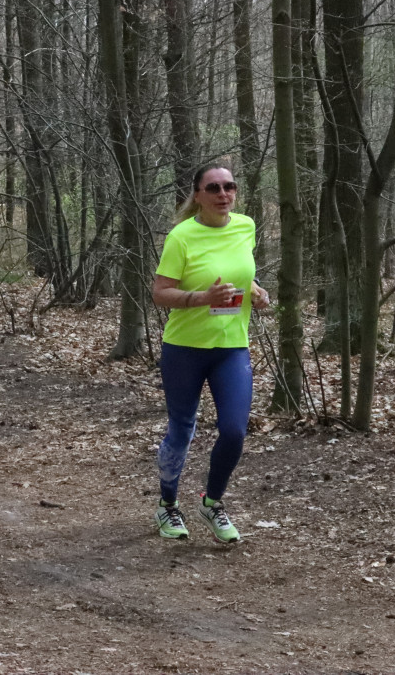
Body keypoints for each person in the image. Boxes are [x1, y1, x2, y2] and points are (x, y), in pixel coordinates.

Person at [150, 164, 270, 543]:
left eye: (230, 186)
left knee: (234, 431)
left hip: (231, 348)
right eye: (214, 188)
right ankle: (167, 505)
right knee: (181, 431)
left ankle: (212, 501)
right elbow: (160, 292)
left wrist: (256, 291)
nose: (223, 194)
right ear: (197, 195)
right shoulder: (181, 237)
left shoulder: (246, 226)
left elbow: (241, 271)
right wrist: (203, 298)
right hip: (184, 349)